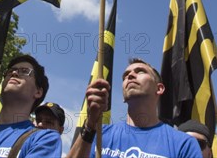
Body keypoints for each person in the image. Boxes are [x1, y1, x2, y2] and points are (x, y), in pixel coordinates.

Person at [67, 58, 202, 158]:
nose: (130, 76)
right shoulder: (100, 134)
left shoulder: (183, 143)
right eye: (125, 76)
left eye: (140, 71)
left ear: (159, 88)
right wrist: (91, 124)